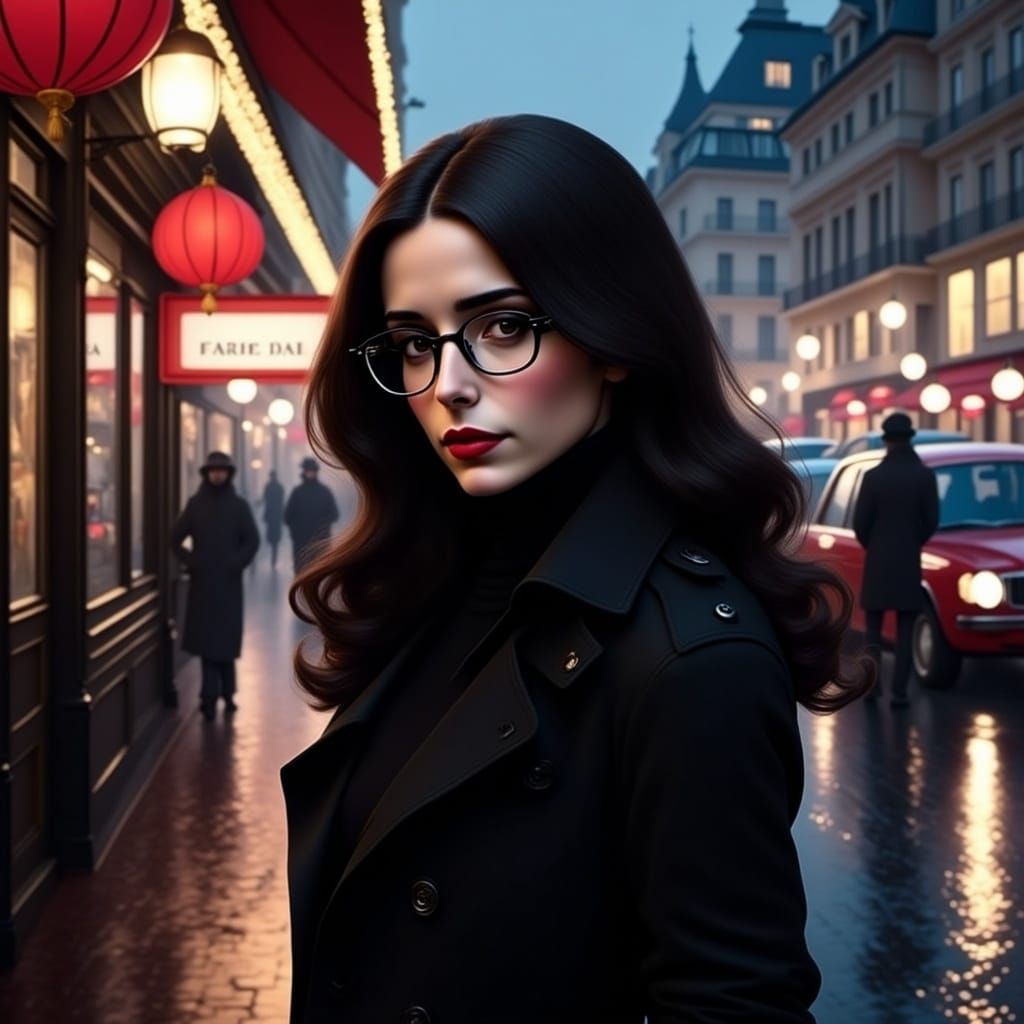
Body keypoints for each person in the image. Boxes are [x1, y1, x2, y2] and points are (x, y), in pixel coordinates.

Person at [282, 114, 872, 1024]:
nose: (449, 384)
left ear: (612, 337)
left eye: (502, 326)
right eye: (413, 340)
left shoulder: (688, 657)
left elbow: (731, 1001)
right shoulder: (428, 585)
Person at [853, 411, 940, 708]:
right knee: (905, 628)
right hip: (908, 561)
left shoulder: (873, 477)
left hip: (877, 561)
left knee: (873, 629)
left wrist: (875, 545)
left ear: (886, 441)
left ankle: (873, 687)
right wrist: (912, 541)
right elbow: (932, 520)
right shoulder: (925, 476)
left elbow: (860, 524)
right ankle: (900, 692)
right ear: (910, 439)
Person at [170, 451, 260, 720]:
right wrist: (193, 562)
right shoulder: (196, 505)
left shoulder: (239, 506)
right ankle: (210, 696)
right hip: (205, 584)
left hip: (229, 584)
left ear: (228, 474)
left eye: (222, 470)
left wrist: (237, 563)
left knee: (225, 643)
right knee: (210, 645)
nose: (217, 474)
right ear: (207, 474)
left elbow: (252, 540)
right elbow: (175, 538)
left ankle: (227, 694)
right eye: (213, 470)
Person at [283, 457, 339, 573]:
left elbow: (334, 514)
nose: (310, 473)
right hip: (304, 545)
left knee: (316, 576)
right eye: (308, 470)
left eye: (311, 470)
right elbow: (287, 517)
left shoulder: (320, 492)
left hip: (317, 545)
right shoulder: (299, 492)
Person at [260, 469, 285, 569]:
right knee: (273, 537)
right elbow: (266, 499)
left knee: (274, 537)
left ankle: (273, 557)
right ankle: (273, 555)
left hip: (274, 515)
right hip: (273, 515)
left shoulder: (274, 487)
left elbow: (278, 501)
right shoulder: (275, 487)